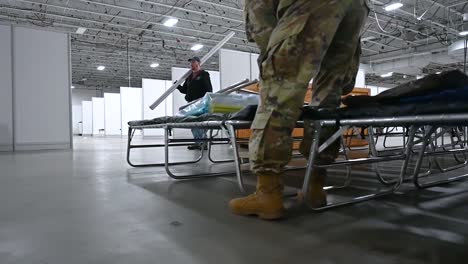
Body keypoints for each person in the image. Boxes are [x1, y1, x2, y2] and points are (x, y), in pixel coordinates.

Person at [229, 0, 370, 219]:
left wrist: (275, 60)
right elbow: (344, 85)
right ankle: (315, 187)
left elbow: (260, 17)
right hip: (357, 7)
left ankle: (268, 194)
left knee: (279, 87)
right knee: (327, 100)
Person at [177, 56, 213, 150]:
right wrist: (177, 86)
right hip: (190, 103)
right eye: (191, 63)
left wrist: (205, 101)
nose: (192, 65)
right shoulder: (189, 77)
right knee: (193, 123)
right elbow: (185, 90)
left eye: (194, 63)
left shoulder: (204, 74)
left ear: (198, 63)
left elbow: (209, 89)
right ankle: (199, 142)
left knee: (200, 123)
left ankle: (202, 143)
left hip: (200, 103)